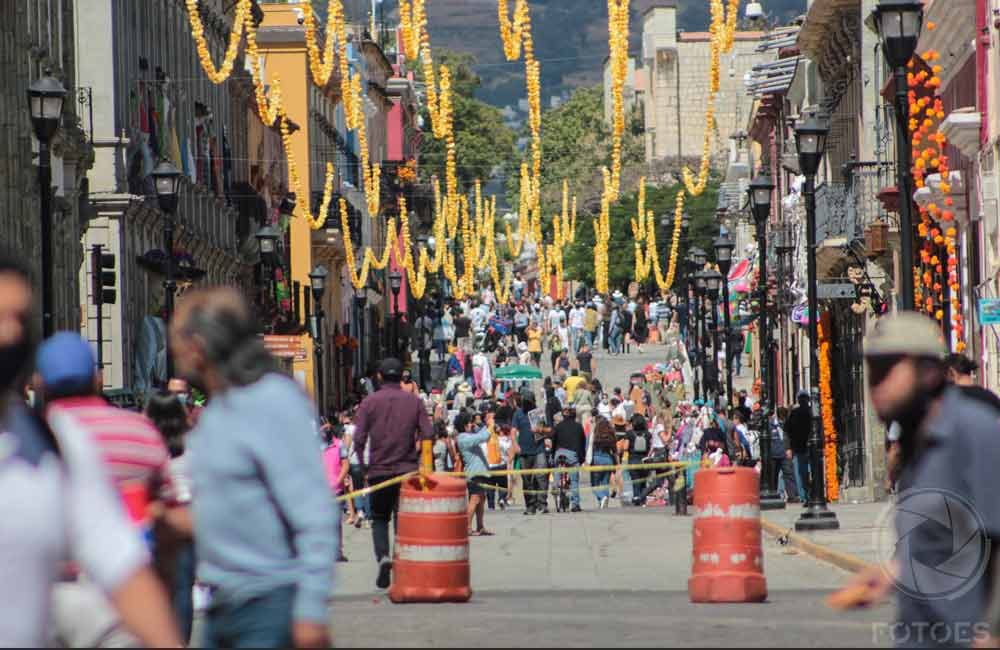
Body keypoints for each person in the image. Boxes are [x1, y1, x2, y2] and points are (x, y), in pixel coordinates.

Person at [0, 251, 181, 647]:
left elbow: (119, 563)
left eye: (19, 320)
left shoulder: (54, 441)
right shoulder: (134, 430)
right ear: (97, 380)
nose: (11, 336)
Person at [169, 287, 335, 648]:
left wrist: (309, 610)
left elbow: (315, 513)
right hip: (224, 603)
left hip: (270, 603)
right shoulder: (215, 413)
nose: (175, 351)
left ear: (199, 344)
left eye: (178, 338)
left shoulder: (271, 402)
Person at [831, 312, 1000, 647]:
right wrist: (894, 573)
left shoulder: (976, 433)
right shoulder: (915, 443)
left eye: (888, 371)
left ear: (929, 373)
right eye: (872, 373)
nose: (876, 385)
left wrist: (994, 633)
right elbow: (947, 541)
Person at [352, 357, 434, 590]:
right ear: (402, 378)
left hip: (379, 470)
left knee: (379, 517)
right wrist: (418, 456)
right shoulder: (414, 402)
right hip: (406, 470)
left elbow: (358, 440)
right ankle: (401, 560)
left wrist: (364, 468)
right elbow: (428, 432)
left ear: (379, 376)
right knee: (402, 517)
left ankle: (383, 557)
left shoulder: (370, 402)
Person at [144, 390, 197, 643]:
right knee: (182, 588)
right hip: (187, 524)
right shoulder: (192, 444)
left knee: (154, 588)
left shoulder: (147, 444)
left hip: (155, 520)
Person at [455, 410, 493, 535]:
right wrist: (490, 426)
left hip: (480, 472)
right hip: (474, 473)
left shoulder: (468, 436)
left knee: (481, 499)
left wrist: (485, 424)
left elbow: (481, 433)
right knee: (475, 499)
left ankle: (480, 526)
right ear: (465, 425)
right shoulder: (463, 438)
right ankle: (467, 527)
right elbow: (483, 437)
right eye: (470, 423)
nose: (472, 425)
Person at [514, 395, 549, 515]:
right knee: (526, 480)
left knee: (541, 477)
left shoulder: (538, 412)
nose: (527, 405)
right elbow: (513, 430)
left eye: (529, 402)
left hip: (539, 449)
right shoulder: (518, 413)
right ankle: (530, 505)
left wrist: (541, 430)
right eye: (525, 402)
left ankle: (542, 504)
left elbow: (547, 429)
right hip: (524, 451)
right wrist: (515, 445)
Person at [552, 406, 585, 512]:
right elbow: (582, 444)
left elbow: (554, 442)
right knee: (574, 480)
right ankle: (575, 504)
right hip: (572, 455)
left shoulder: (558, 426)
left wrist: (553, 456)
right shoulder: (578, 427)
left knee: (557, 470)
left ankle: (556, 486)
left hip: (559, 453)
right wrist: (581, 458)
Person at [784, 391, 812, 502]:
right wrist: (788, 447)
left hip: (805, 447)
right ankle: (804, 496)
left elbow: (786, 430)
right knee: (802, 473)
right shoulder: (795, 413)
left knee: (803, 473)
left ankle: (806, 495)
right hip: (800, 447)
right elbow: (787, 431)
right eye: (802, 399)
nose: (803, 401)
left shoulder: (810, 412)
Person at [590, 416, 618, 509]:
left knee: (594, 485)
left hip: (597, 459)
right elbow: (615, 451)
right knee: (605, 483)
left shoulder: (596, 435)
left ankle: (602, 497)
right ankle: (604, 503)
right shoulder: (611, 436)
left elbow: (590, 448)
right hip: (608, 459)